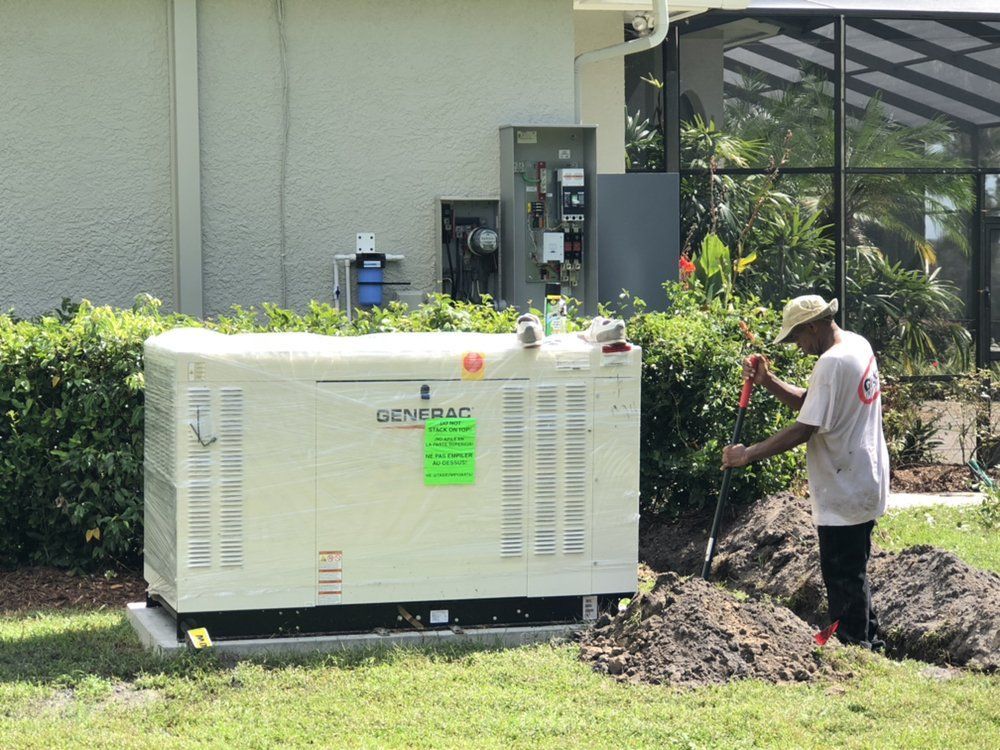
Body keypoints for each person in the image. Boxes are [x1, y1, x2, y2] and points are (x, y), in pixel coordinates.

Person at [721, 295, 889, 649]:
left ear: (812, 327)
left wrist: (746, 455)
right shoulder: (857, 345)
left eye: (797, 337)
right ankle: (869, 641)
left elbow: (804, 428)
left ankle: (853, 646)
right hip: (863, 479)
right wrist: (768, 381)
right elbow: (812, 403)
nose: (797, 346)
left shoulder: (831, 363)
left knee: (843, 573)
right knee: (853, 571)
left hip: (845, 486)